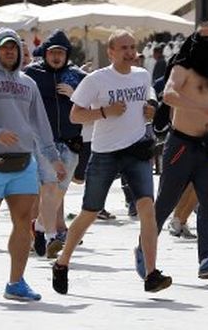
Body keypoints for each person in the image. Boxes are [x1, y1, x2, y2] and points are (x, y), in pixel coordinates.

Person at [52, 30, 171, 295]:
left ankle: (151, 273)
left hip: (137, 151)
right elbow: (75, 115)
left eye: (133, 47)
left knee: (147, 210)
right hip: (105, 153)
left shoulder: (142, 74)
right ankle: (62, 263)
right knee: (90, 213)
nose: (130, 52)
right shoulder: (97, 79)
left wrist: (151, 108)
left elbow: (147, 97)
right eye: (124, 48)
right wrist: (105, 111)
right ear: (111, 52)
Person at [143, 22, 208, 279]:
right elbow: (169, 94)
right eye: (206, 40)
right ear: (196, 41)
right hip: (181, 145)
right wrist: (199, 108)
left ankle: (207, 259)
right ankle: (143, 251)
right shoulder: (182, 67)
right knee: (165, 202)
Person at [0, 28, 66, 301]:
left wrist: (54, 158)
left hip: (23, 162)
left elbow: (41, 126)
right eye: (4, 47)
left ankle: (15, 282)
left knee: (23, 224)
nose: (10, 51)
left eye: (13, 47)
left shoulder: (28, 83)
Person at [25, 30, 86, 259]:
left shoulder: (77, 76)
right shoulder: (32, 73)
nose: (57, 56)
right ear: (46, 54)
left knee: (59, 192)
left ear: (67, 54)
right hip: (43, 141)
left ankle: (39, 228)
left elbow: (91, 105)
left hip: (71, 142)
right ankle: (51, 237)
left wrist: (75, 95)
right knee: (49, 187)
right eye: (53, 52)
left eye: (61, 52)